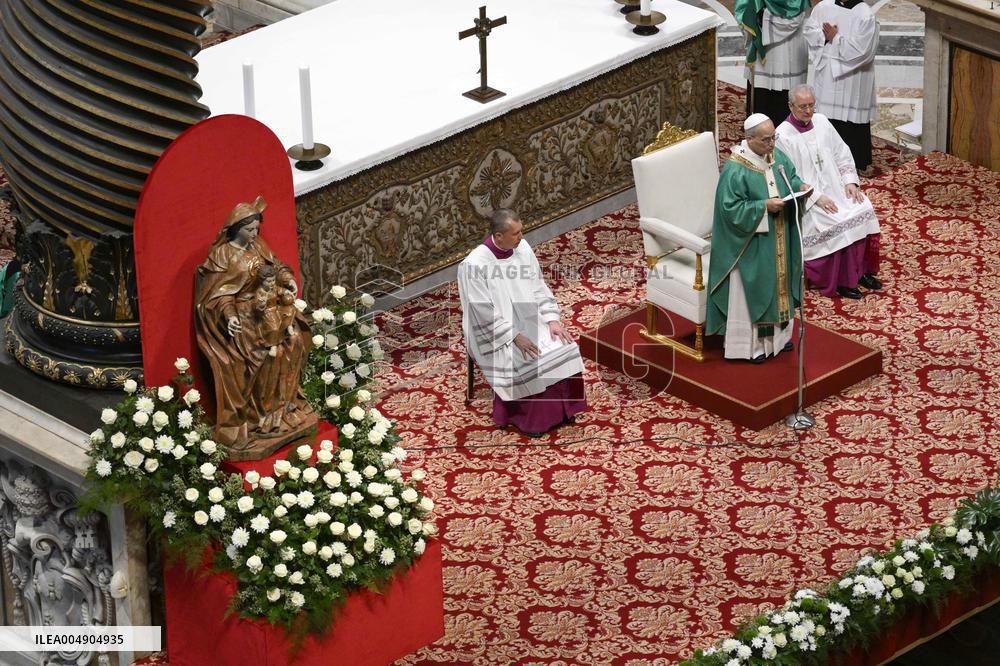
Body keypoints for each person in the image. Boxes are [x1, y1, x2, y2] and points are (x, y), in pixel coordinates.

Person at [195, 196, 314, 452]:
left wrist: (287, 278)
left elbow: (277, 266)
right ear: (235, 228)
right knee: (267, 355)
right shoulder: (222, 255)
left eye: (256, 229)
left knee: (293, 342)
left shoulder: (257, 245)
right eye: (249, 229)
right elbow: (216, 295)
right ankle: (259, 417)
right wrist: (230, 316)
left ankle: (283, 410)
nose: (254, 234)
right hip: (244, 317)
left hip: (268, 308)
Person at [458, 209, 587, 437]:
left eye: (521, 231)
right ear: (499, 236)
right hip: (495, 332)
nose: (521, 237)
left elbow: (538, 286)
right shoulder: (473, 266)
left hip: (529, 317)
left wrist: (551, 319)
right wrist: (514, 336)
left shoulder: (522, 249)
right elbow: (482, 312)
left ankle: (565, 410)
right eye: (516, 233)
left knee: (562, 344)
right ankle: (532, 421)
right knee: (527, 357)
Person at [707, 114, 810, 363]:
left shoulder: (775, 156)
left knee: (781, 286)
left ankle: (780, 339)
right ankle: (751, 348)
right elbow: (730, 210)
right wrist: (763, 206)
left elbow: (790, 177)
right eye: (765, 140)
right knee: (754, 291)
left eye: (773, 137)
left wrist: (801, 187)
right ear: (749, 139)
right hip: (751, 245)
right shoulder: (736, 169)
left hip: (780, 236)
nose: (771, 144)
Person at [776, 84, 882, 299]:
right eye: (803, 106)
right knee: (835, 222)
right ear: (790, 106)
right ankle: (843, 280)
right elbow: (789, 178)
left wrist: (850, 182)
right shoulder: (782, 136)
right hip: (809, 199)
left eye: (811, 106)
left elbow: (841, 152)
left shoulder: (822, 122)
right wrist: (817, 198)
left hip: (836, 187)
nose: (808, 111)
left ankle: (861, 272)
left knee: (863, 207)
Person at [804, 0, 879, 170]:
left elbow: (864, 51)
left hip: (853, 78)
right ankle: (824, 158)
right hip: (827, 76)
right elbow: (809, 30)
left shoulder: (865, 15)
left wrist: (835, 39)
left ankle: (855, 162)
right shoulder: (824, 6)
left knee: (849, 123)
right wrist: (823, 36)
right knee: (826, 119)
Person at [736, 0, 811, 127]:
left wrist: (761, 17)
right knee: (761, 107)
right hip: (765, 55)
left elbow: (794, 12)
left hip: (790, 49)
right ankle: (758, 130)